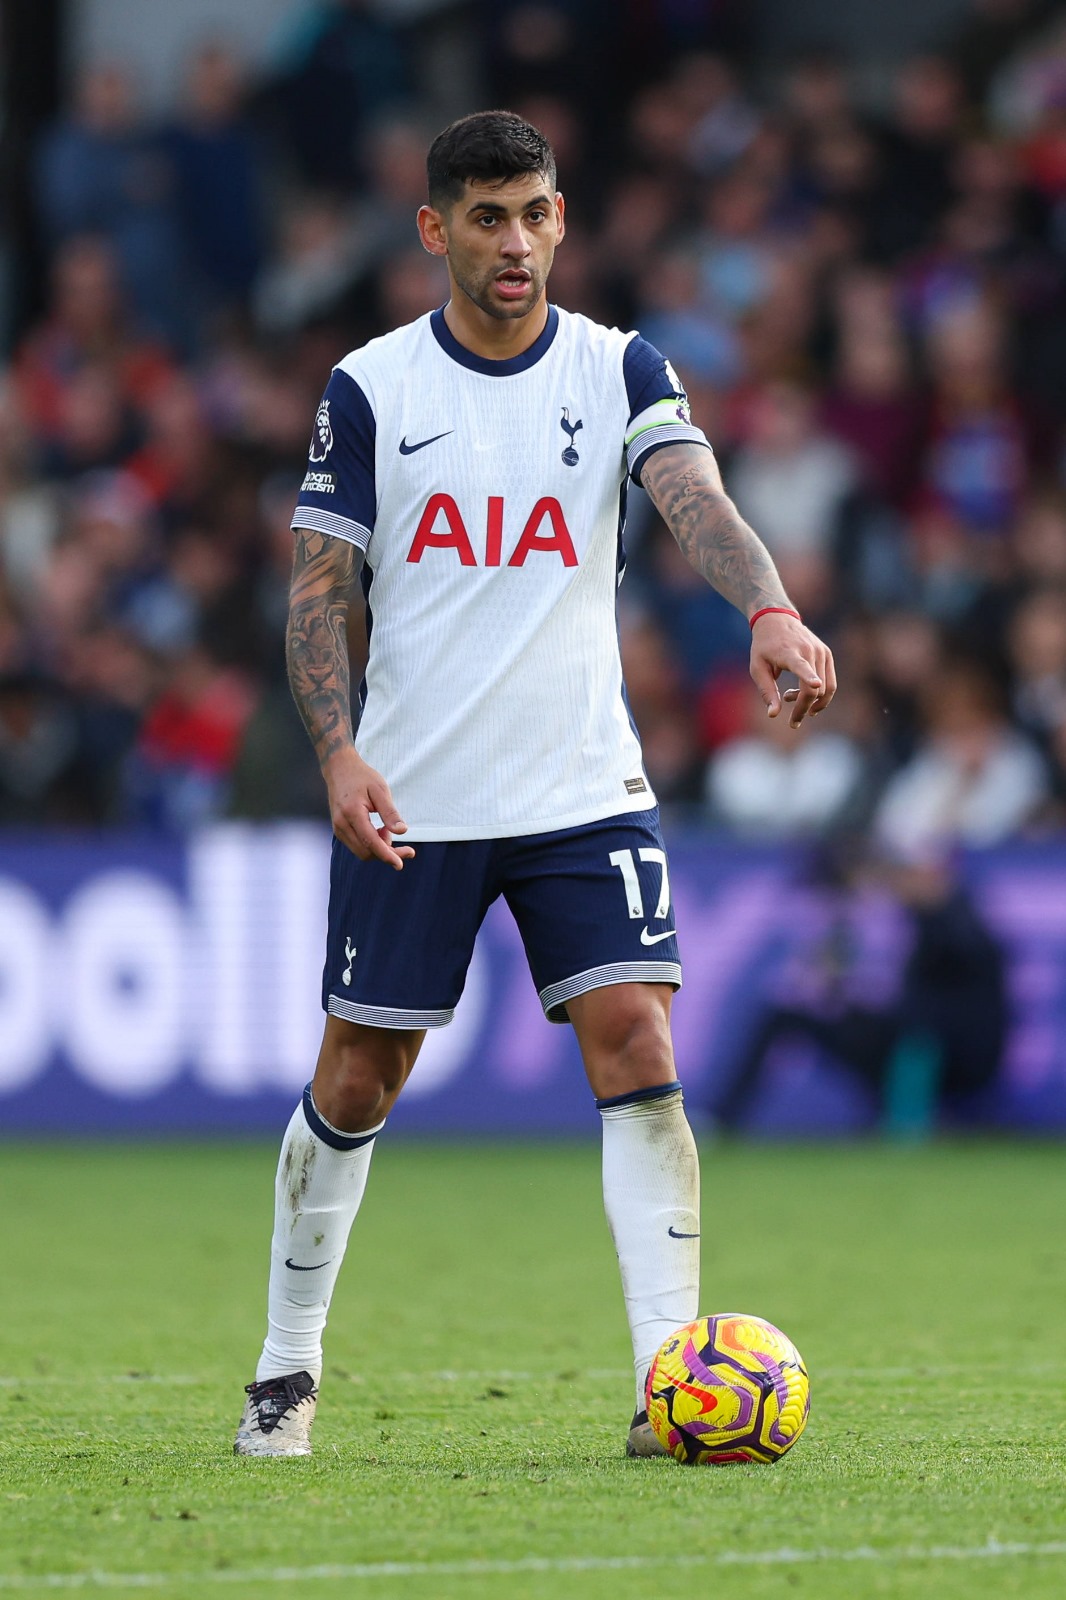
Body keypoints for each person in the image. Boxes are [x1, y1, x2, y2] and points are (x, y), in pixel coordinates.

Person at [233, 110, 836, 1459]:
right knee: (359, 1075)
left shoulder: (618, 367)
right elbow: (320, 594)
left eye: (537, 214)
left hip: (580, 785)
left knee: (638, 1043)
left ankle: (664, 1381)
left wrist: (770, 611)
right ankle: (285, 1365)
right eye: (488, 218)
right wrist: (337, 752)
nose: (517, 244)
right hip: (420, 796)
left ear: (563, 219)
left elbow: (692, 497)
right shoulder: (371, 389)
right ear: (434, 229)